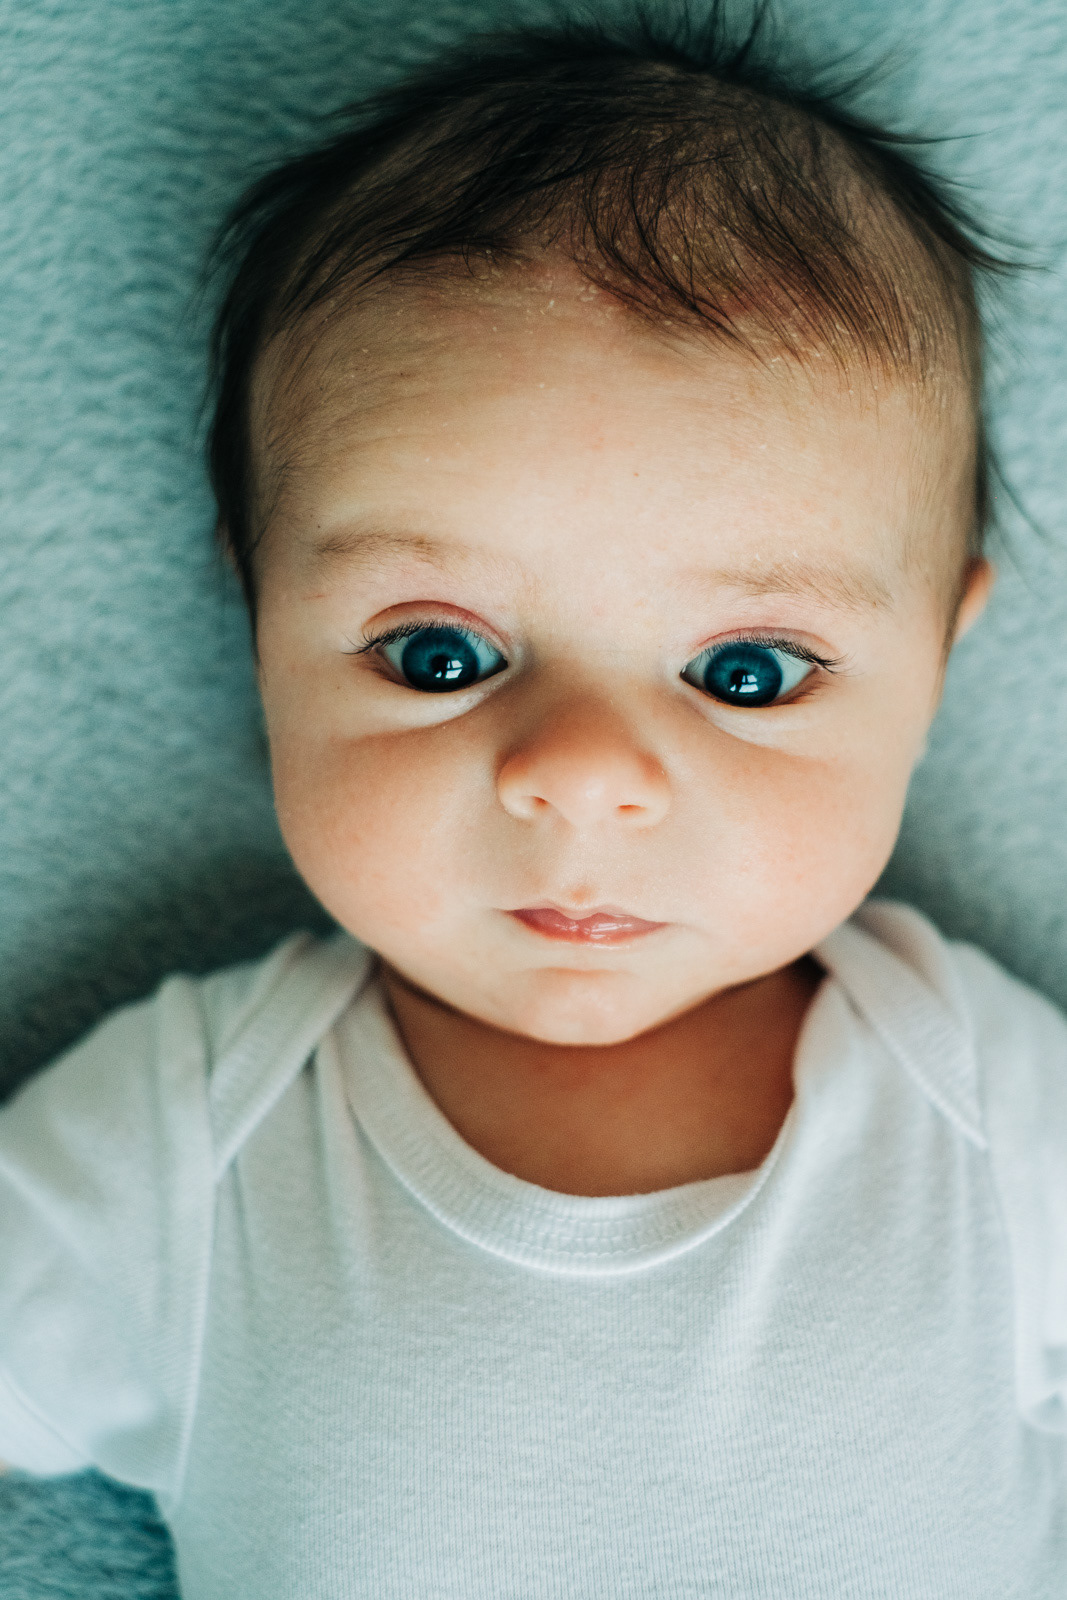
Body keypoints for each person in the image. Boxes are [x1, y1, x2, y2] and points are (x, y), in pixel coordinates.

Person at [1, 15, 1064, 1597]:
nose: (579, 772)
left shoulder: (991, 1116)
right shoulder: (190, 1144)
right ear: (259, 618)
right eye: (437, 653)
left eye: (752, 671)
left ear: (934, 662)